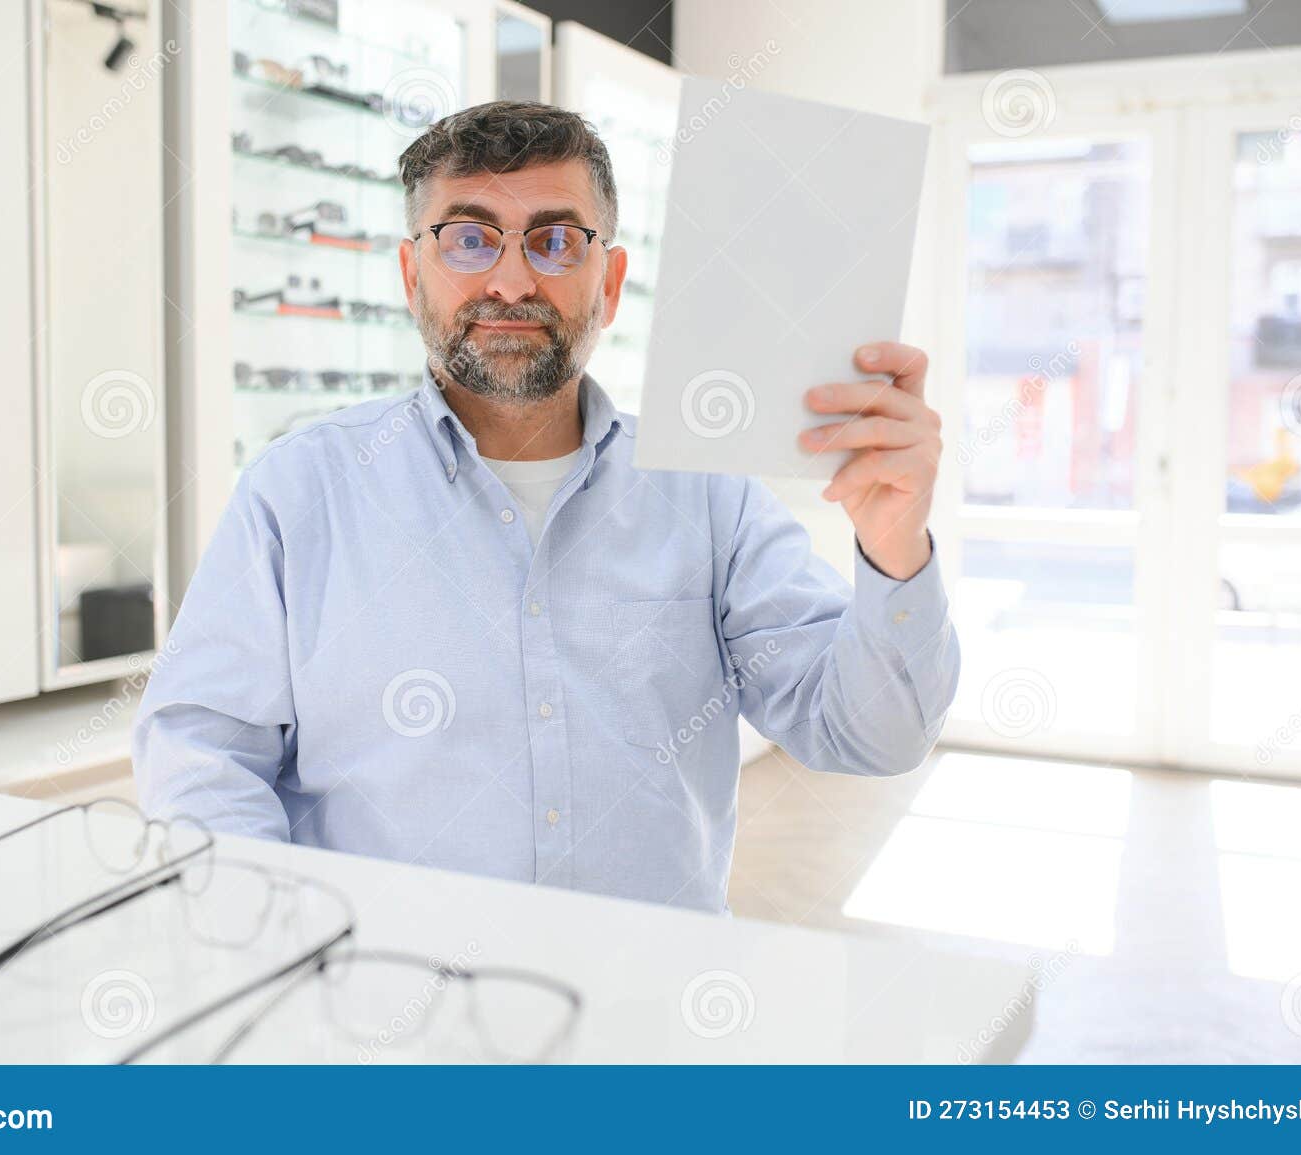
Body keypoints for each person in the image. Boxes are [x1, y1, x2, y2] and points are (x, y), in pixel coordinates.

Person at [132, 100, 958, 913]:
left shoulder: (709, 495)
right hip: (384, 1025)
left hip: (647, 1016)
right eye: (468, 238)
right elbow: (201, 758)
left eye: (558, 241)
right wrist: (289, 946)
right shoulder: (298, 494)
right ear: (411, 273)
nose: (513, 280)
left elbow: (870, 734)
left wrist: (894, 548)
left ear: (610, 281)